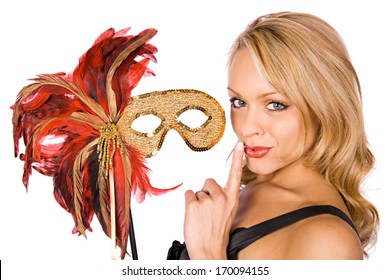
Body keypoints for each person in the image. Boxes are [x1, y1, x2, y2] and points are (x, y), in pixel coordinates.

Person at [167, 11, 379, 260]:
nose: (247, 128)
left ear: (324, 107)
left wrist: (207, 257)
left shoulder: (329, 242)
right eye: (239, 102)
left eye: (275, 105)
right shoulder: (251, 190)